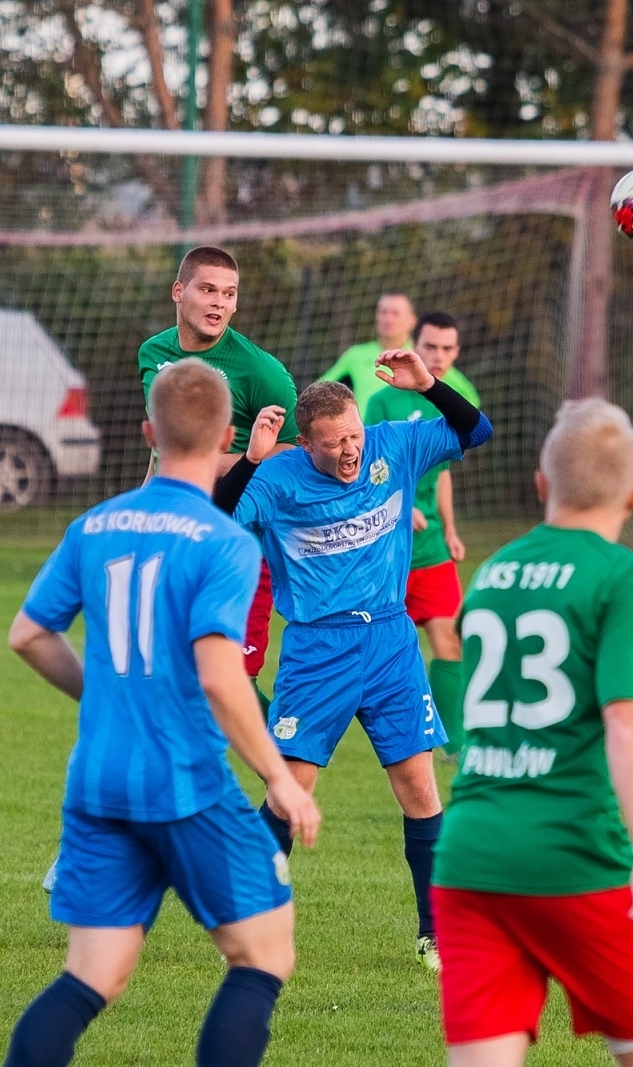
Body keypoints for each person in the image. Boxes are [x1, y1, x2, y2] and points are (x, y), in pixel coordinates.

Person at [3, 359, 321, 1067]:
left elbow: (27, 633)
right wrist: (280, 776)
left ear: (150, 430)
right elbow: (219, 674)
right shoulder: (224, 541)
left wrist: (103, 691)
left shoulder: (95, 524)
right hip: (183, 782)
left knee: (93, 974)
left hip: (97, 782)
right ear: (228, 437)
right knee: (262, 952)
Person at [430, 399, 633, 1067]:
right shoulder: (626, 576)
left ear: (541, 484)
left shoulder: (492, 573)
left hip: (470, 856)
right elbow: (630, 719)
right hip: (574, 855)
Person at [212, 350, 492, 972]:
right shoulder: (279, 480)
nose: (349, 451)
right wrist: (252, 459)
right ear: (305, 445)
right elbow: (215, 518)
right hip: (318, 650)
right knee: (292, 791)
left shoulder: (394, 447)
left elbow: (477, 431)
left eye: (354, 435)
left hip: (391, 645)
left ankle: (436, 934)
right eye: (334, 442)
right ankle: (246, 921)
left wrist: (431, 386)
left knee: (419, 785)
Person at [137, 245, 298, 684]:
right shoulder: (152, 354)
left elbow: (298, 454)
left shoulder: (258, 370)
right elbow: (162, 448)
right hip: (176, 533)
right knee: (172, 676)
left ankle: (287, 747)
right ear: (178, 291)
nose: (219, 303)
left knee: (228, 682)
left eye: (229, 294)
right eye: (207, 290)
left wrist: (214, 461)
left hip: (240, 541)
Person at [364, 311, 479, 757]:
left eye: (449, 349)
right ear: (417, 344)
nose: (440, 356)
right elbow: (365, 468)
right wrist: (401, 501)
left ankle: (454, 743)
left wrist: (450, 528)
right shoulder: (382, 400)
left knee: (448, 637)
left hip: (430, 547)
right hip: (389, 549)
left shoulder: (456, 397)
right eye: (431, 347)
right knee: (382, 653)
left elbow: (444, 472)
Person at [318, 292, 416, 418]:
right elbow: (320, 388)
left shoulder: (420, 357)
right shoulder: (356, 354)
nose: (388, 319)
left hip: (406, 434)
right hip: (364, 433)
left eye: (395, 313)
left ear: (412, 320)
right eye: (383, 312)